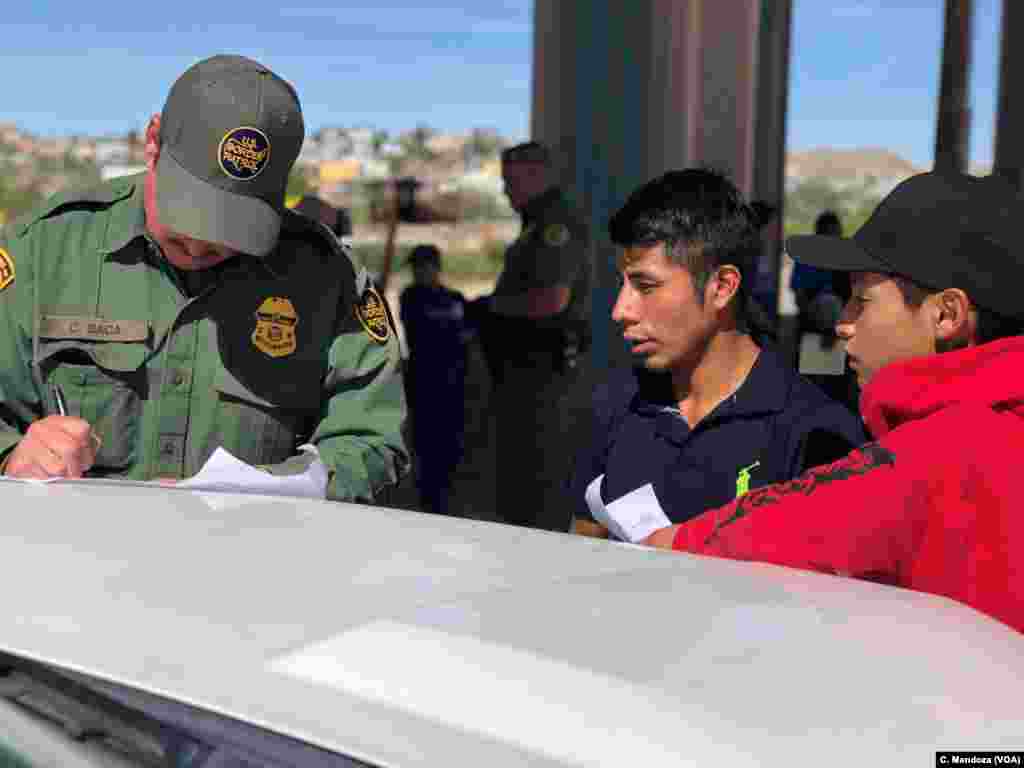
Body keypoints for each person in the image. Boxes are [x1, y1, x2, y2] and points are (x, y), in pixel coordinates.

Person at [0, 54, 409, 502]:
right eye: (186, 214)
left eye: (229, 228)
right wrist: (12, 455)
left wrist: (304, 482)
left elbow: (372, 436)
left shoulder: (327, 280)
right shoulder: (43, 253)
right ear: (153, 143)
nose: (197, 247)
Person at [636, 171, 1024, 634]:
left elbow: (684, 545)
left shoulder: (943, 454)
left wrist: (665, 541)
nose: (843, 323)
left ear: (946, 315)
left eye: (861, 300)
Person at [570, 169, 866, 539]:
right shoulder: (616, 404)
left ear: (722, 287)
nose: (620, 310)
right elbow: (581, 554)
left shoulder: (813, 435)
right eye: (622, 284)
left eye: (645, 286)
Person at [470, 141, 594, 531]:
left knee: (537, 484)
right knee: (519, 481)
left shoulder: (556, 226)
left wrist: (489, 308)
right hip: (522, 373)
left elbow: (552, 300)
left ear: (537, 175)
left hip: (541, 373)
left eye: (511, 181)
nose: (506, 191)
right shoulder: (536, 224)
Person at [399, 244, 472, 515]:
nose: (419, 272)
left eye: (424, 266)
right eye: (416, 267)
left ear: (435, 268)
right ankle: (430, 504)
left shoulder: (456, 298)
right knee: (426, 449)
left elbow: (468, 333)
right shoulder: (411, 297)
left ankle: (447, 502)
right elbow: (423, 330)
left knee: (451, 447)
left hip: (453, 386)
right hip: (423, 384)